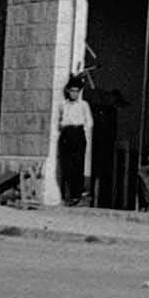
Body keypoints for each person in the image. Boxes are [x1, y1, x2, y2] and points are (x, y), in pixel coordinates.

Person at [57, 74, 94, 207]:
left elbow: (89, 121)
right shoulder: (63, 105)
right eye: (72, 90)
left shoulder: (84, 105)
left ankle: (76, 194)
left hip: (78, 133)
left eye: (76, 91)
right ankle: (68, 194)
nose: (74, 93)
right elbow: (61, 120)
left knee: (77, 163)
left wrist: (81, 130)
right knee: (66, 164)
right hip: (66, 134)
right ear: (68, 91)